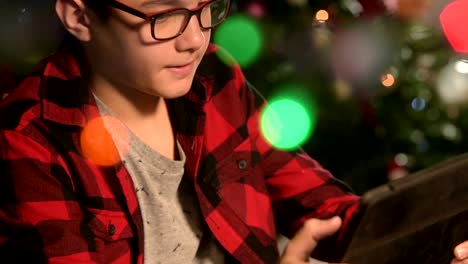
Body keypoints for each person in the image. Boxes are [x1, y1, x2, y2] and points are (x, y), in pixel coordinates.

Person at [0, 0, 465, 263]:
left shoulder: (213, 78)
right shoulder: (27, 138)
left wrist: (439, 239)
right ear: (79, 15)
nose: (194, 38)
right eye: (164, 16)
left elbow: (321, 205)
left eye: (205, 7)